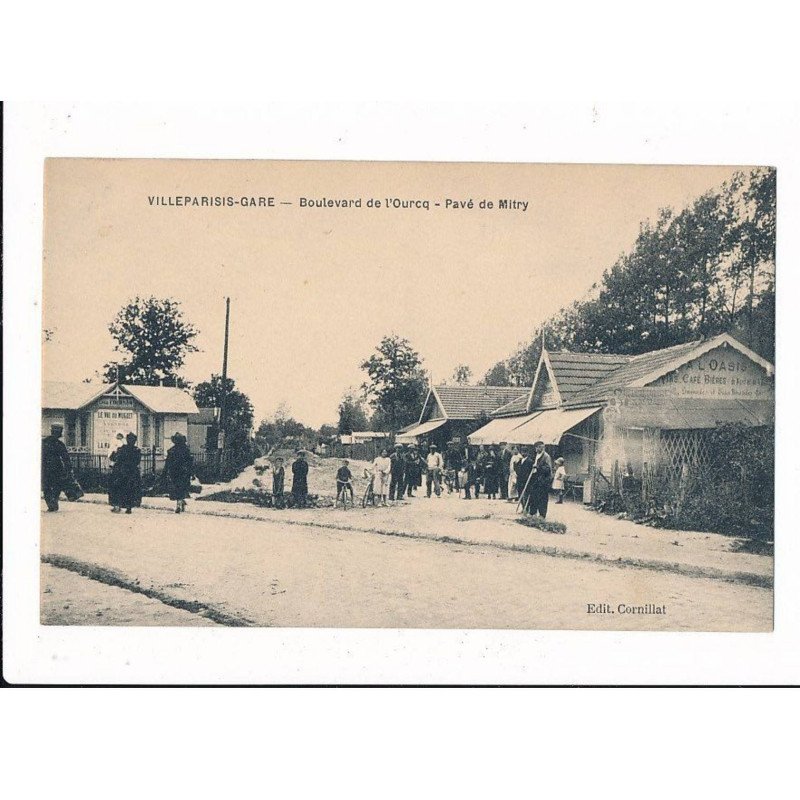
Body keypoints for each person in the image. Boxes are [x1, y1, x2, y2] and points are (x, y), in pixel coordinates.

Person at [109, 432, 142, 514]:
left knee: (118, 488)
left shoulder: (122, 449)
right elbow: (137, 461)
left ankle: (117, 506)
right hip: (133, 472)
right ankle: (129, 507)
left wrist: (114, 451)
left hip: (122, 471)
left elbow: (113, 458)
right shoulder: (137, 450)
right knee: (131, 489)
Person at [41, 424, 72, 512]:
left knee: (47, 487)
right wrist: (68, 469)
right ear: (59, 433)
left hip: (45, 469)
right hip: (57, 469)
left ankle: (51, 504)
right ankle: (53, 503)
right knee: (56, 487)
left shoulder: (44, 442)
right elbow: (66, 458)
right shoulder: (59, 444)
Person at [165, 432, 195, 513]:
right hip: (183, 472)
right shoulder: (185, 450)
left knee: (177, 488)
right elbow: (190, 463)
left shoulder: (172, 450)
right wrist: (192, 473)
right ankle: (180, 502)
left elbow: (167, 463)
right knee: (182, 488)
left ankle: (180, 502)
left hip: (175, 472)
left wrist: (165, 473)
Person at [528, 441, 554, 518]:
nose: (537, 449)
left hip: (543, 480)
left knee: (542, 498)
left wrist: (537, 467)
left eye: (539, 447)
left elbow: (548, 469)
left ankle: (542, 514)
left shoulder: (546, 456)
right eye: (536, 447)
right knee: (533, 496)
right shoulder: (536, 455)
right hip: (535, 478)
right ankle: (533, 513)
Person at [515, 447, 535, 513]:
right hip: (519, 480)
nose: (523, 453)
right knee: (520, 494)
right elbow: (516, 469)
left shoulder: (530, 461)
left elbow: (531, 472)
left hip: (526, 481)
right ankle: (523, 507)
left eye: (525, 452)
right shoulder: (519, 461)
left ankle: (526, 509)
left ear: (527, 453)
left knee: (526, 495)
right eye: (522, 452)